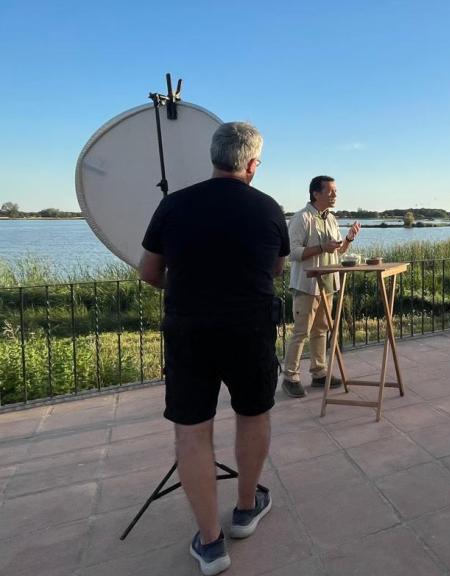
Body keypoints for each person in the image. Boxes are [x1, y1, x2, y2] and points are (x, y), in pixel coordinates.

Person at [139, 122, 288, 576]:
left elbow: (148, 273)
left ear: (213, 156)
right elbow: (277, 270)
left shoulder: (175, 204)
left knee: (192, 431)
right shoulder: (269, 209)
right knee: (253, 414)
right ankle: (245, 509)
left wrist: (188, 285)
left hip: (189, 332)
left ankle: (209, 543)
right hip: (250, 330)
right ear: (251, 163)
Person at [280, 176, 361, 398]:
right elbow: (292, 253)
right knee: (301, 332)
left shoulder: (332, 219)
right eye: (331, 191)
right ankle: (290, 377)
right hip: (307, 286)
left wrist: (348, 239)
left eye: (336, 191)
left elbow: (338, 251)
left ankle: (318, 373)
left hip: (328, 285)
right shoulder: (301, 218)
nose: (335, 195)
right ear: (316, 193)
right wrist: (321, 247)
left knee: (321, 330)